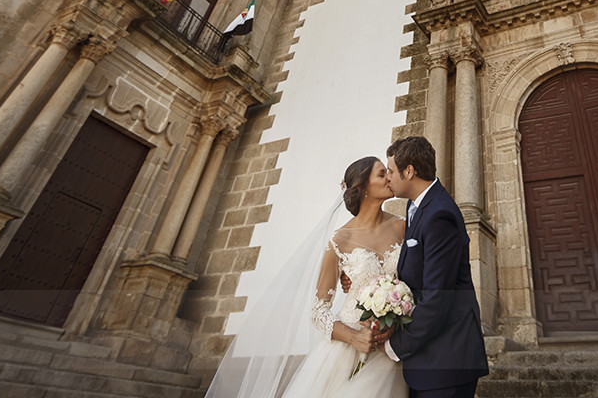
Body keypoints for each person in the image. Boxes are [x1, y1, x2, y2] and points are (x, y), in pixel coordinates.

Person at [204, 156, 406, 398]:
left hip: (392, 347)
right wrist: (355, 338)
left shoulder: (403, 227)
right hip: (346, 348)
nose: (389, 178)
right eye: (382, 174)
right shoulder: (339, 241)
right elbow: (319, 312)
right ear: (362, 187)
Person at [376, 136, 489, 398]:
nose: (388, 177)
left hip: (447, 359)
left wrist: (395, 346)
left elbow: (437, 297)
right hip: (428, 359)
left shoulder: (440, 214)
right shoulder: (415, 205)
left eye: (391, 171)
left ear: (409, 171)